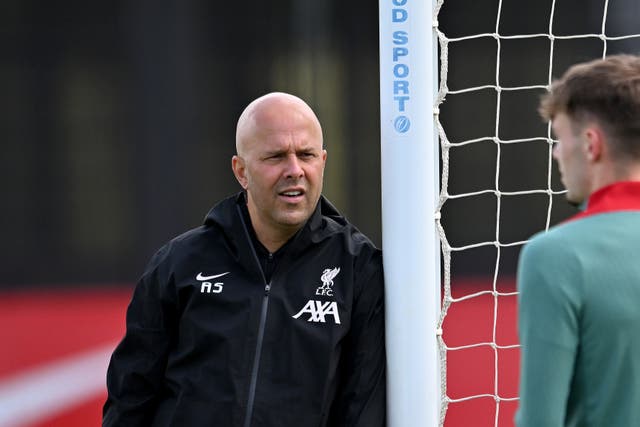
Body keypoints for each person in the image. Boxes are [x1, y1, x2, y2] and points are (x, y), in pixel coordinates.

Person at [103, 92, 386, 427]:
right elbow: (129, 403)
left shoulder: (359, 270)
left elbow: (362, 412)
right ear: (241, 171)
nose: (294, 170)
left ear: (322, 161)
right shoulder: (179, 264)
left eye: (306, 155)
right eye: (276, 156)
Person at [516, 54, 640, 426]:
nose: (556, 152)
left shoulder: (555, 256)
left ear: (591, 144)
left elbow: (541, 420)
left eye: (558, 138)